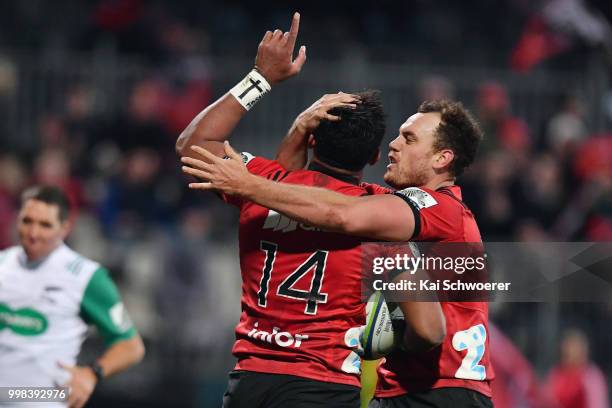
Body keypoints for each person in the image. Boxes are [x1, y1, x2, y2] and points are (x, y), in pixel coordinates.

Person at [177, 12, 445, 408]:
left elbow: (192, 143)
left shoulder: (259, 184)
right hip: (326, 385)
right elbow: (429, 329)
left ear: (313, 140)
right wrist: (392, 341)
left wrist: (261, 79)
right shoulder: (379, 216)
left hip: (250, 383)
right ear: (373, 155)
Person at [181, 97, 494, 406]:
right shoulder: (380, 216)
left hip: (439, 391)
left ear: (442, 158)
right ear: (371, 156)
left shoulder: (438, 209)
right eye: (395, 136)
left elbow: (342, 212)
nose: (394, 145)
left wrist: (249, 182)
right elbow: (320, 200)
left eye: (409, 138)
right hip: (368, 387)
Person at [0, 185, 145, 408]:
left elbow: (130, 345)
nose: (33, 233)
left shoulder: (86, 277)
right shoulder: (2, 263)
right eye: (27, 221)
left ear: (65, 228)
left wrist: (92, 373)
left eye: (45, 225)